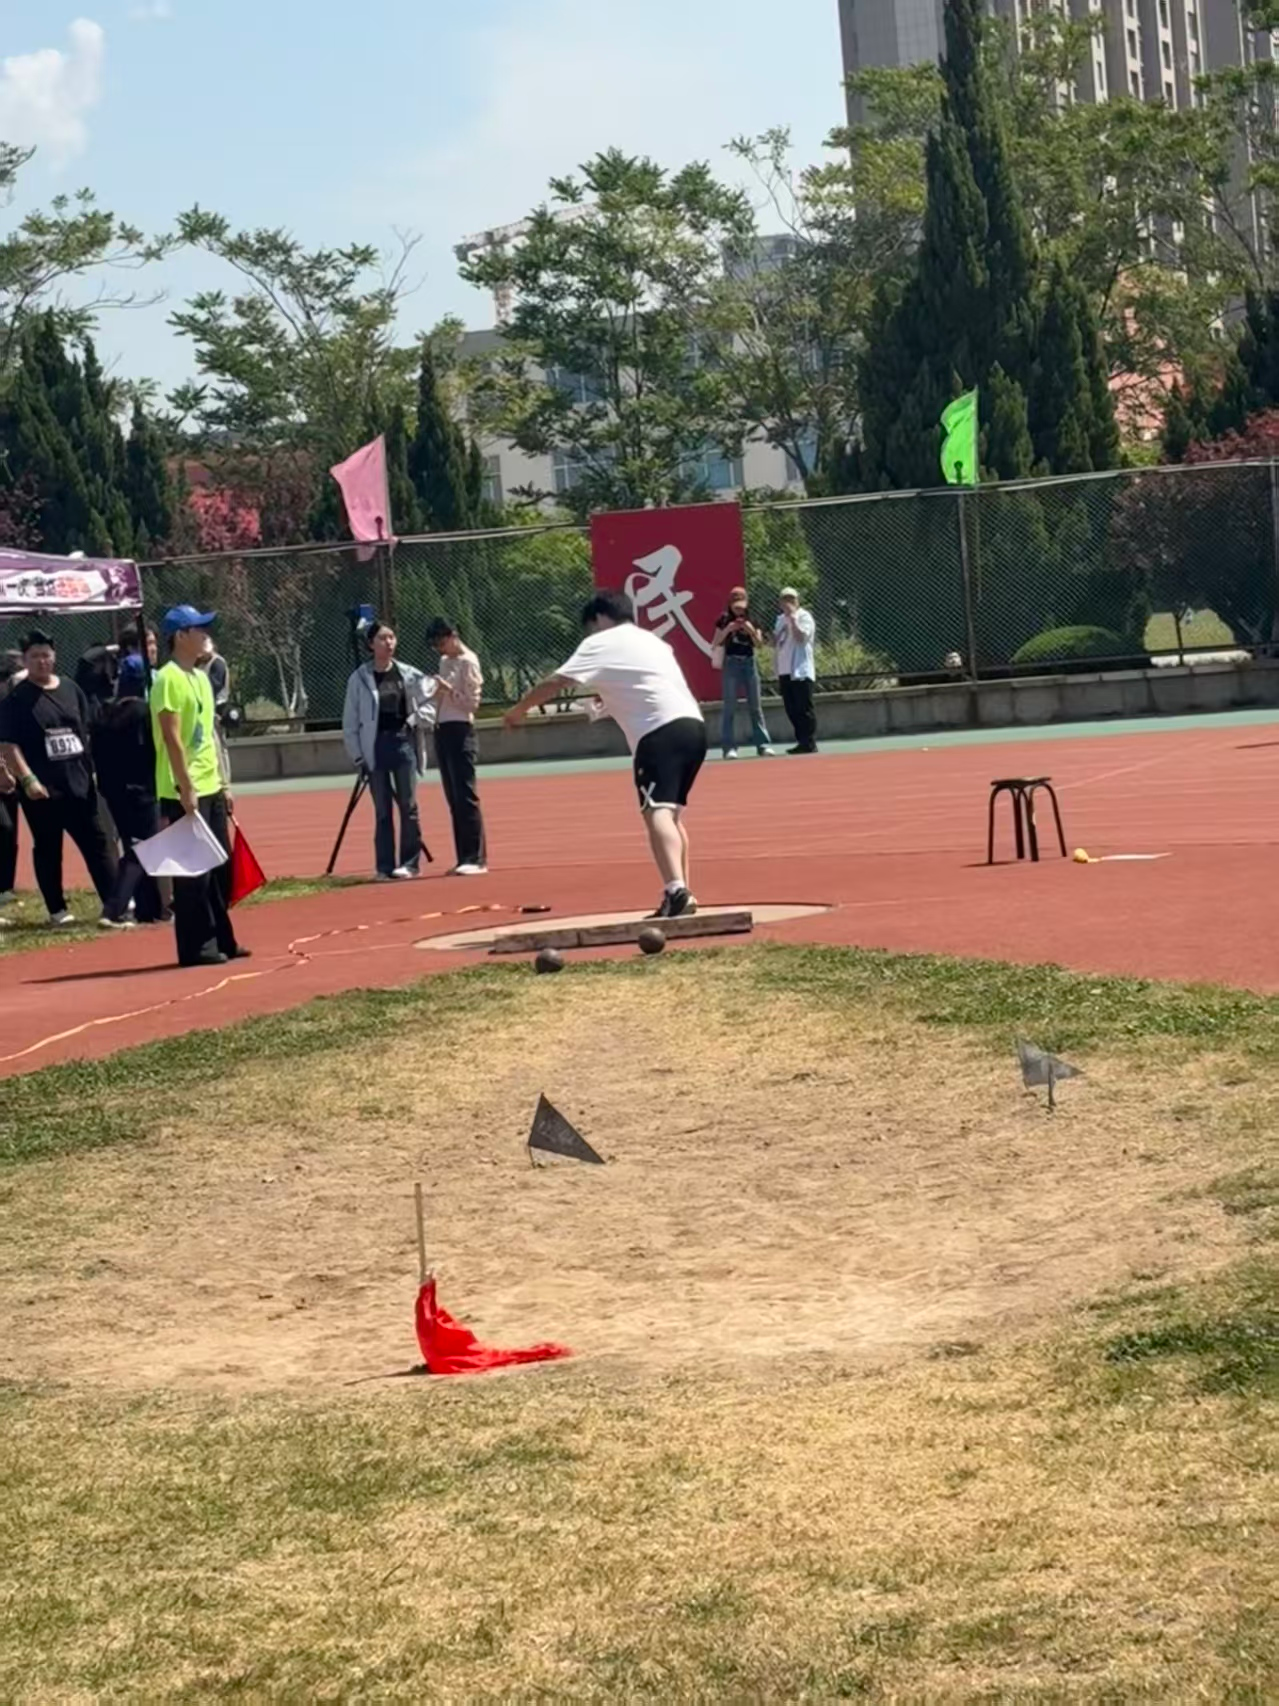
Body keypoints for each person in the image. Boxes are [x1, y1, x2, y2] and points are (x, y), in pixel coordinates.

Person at [504, 589, 706, 919]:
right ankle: (683, 893)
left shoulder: (600, 642)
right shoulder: (653, 641)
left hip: (658, 732)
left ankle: (676, 890)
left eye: (591, 626)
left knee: (655, 811)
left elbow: (557, 681)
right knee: (670, 814)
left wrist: (519, 710)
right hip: (693, 727)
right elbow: (646, 684)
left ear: (599, 618)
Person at [0, 629, 118, 927]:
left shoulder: (70, 689)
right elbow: (9, 744)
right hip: (43, 790)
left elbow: (84, 731)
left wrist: (92, 770)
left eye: (46, 655)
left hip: (79, 783)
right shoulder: (17, 699)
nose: (42, 661)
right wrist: (27, 779)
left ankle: (114, 901)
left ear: (54, 657)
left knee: (98, 841)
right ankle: (57, 910)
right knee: (48, 847)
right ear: (25, 660)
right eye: (35, 656)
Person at [151, 605, 244, 968]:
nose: (206, 634)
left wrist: (223, 783)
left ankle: (223, 938)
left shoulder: (201, 678)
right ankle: (196, 948)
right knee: (194, 874)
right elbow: (172, 738)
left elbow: (209, 737)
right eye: (198, 629)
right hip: (183, 789)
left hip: (210, 784)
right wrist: (185, 786)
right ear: (180, 636)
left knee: (220, 867)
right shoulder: (167, 679)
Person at [341, 621, 435, 881]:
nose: (389, 643)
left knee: (409, 806)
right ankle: (384, 866)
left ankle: (409, 864)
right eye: (383, 638)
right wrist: (358, 755)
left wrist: (414, 720)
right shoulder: (359, 679)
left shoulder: (409, 674)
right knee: (382, 810)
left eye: (392, 637)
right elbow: (350, 721)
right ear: (371, 644)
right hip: (374, 749)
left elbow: (430, 703)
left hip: (403, 744)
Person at [92, 654, 168, 927]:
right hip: (142, 791)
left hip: (113, 792)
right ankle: (114, 908)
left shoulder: (104, 713)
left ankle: (149, 909)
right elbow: (155, 751)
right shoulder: (145, 713)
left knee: (132, 842)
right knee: (143, 848)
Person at [426, 617, 488, 876]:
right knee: (452, 796)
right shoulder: (445, 661)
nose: (439, 649)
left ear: (453, 636)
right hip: (442, 727)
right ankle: (463, 855)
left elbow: (472, 704)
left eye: (441, 643)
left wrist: (449, 689)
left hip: (461, 728)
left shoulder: (468, 662)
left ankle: (476, 857)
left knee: (465, 794)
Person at [711, 586, 774, 760]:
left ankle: (763, 745)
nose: (739, 610)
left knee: (755, 706)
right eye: (736, 607)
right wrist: (728, 630)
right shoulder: (724, 619)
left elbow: (760, 644)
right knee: (729, 706)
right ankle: (729, 747)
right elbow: (715, 643)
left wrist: (750, 630)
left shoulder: (752, 619)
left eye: (741, 607)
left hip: (749, 663)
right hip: (731, 663)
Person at [772, 586, 819, 755]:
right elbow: (776, 643)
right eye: (785, 600)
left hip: (801, 670)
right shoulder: (779, 620)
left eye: (791, 599)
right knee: (791, 708)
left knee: (804, 707)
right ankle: (801, 741)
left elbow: (801, 638)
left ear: (797, 601)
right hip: (785, 670)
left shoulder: (804, 617)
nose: (788, 603)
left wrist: (793, 620)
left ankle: (809, 742)